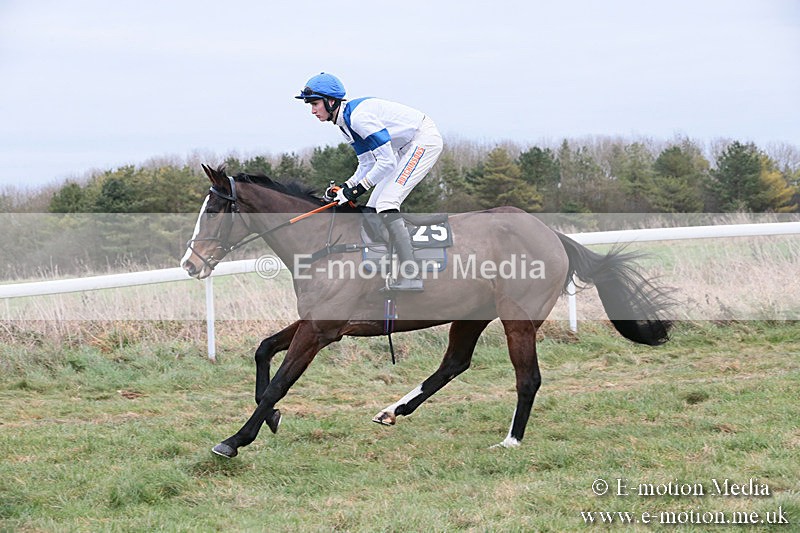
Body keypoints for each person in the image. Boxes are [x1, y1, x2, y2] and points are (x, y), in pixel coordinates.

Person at [295, 72, 443, 291]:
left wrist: (358, 189)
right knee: (373, 209)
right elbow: (366, 163)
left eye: (315, 104)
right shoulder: (345, 124)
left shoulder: (358, 119)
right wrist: (346, 187)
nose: (313, 110)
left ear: (331, 101)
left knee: (387, 203)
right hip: (401, 149)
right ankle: (387, 267)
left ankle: (412, 275)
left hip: (422, 141)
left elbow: (387, 163)